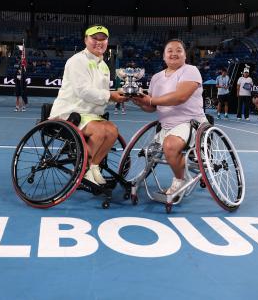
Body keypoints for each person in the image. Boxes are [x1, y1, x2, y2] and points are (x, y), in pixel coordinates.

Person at [49, 25, 127, 185]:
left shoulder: (104, 66)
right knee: (99, 131)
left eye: (103, 39)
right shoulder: (77, 61)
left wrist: (116, 95)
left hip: (90, 115)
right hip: (69, 113)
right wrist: (110, 96)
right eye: (94, 38)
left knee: (112, 131)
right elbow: (83, 91)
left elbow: (100, 94)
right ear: (86, 40)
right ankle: (82, 169)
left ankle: (94, 166)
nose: (99, 42)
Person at [131, 39, 207, 195]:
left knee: (170, 146)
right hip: (166, 126)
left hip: (190, 123)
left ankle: (180, 180)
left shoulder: (190, 70)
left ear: (185, 55)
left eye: (179, 50)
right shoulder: (157, 77)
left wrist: (150, 100)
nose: (174, 53)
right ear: (164, 57)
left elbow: (180, 97)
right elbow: (151, 108)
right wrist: (139, 101)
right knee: (160, 148)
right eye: (170, 51)